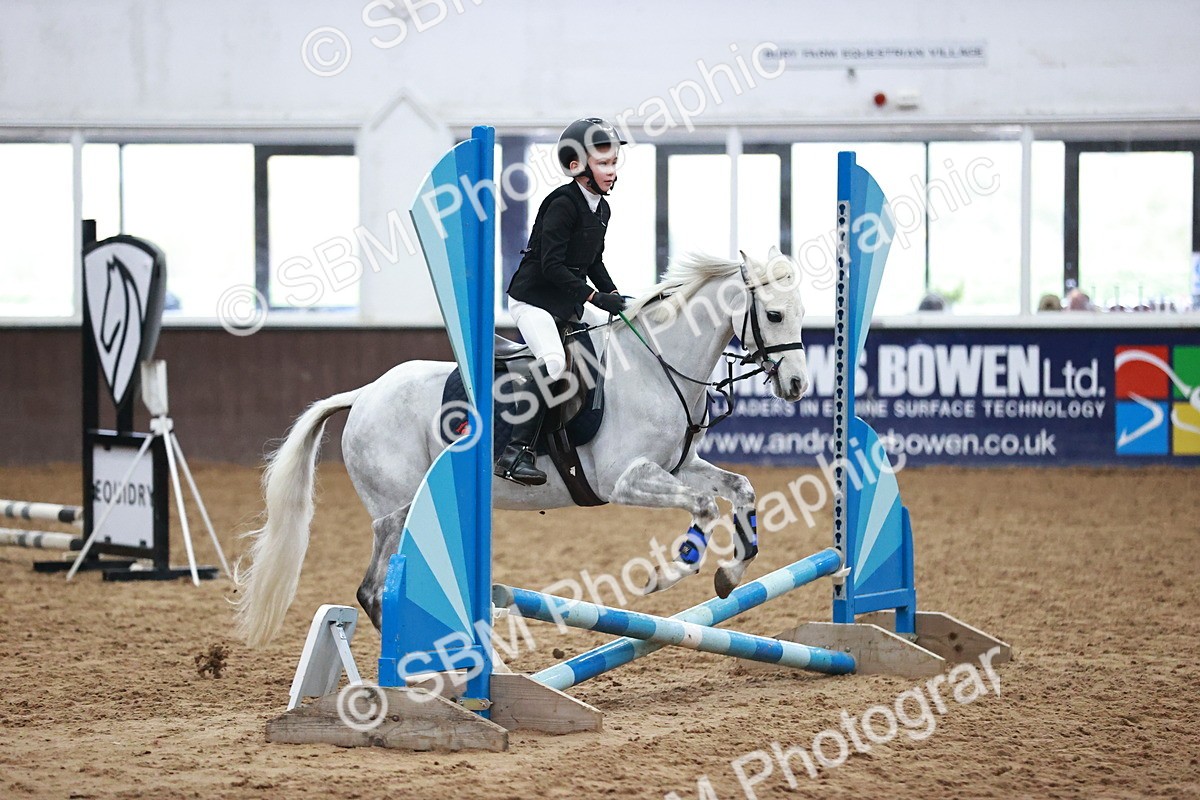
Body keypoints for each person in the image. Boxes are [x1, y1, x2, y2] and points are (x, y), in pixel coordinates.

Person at [496, 118, 629, 486]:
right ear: (577, 166)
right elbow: (552, 265)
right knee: (554, 363)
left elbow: (594, 263)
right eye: (603, 163)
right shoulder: (562, 204)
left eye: (614, 163)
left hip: (565, 304)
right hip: (533, 301)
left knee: (601, 348)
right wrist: (593, 297)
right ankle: (514, 453)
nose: (611, 171)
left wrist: (616, 297)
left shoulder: (601, 209)